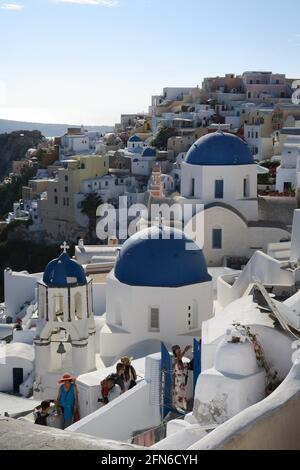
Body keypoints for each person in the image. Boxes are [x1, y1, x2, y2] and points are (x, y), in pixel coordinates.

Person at [171, 345, 191, 412]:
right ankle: (179, 409)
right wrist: (185, 350)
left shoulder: (180, 360)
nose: (179, 349)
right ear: (174, 351)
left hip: (181, 380)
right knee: (179, 395)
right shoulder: (175, 359)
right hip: (178, 381)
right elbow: (174, 372)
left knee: (182, 394)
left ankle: (183, 408)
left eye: (179, 348)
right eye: (177, 349)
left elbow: (180, 369)